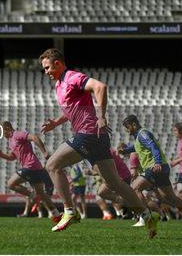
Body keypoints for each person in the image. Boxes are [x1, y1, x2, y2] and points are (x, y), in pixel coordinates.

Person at [39, 48, 158, 236]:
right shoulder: (59, 84)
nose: (46, 72)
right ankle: (147, 214)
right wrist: (56, 122)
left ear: (58, 63)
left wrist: (101, 116)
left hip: (88, 133)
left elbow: (100, 87)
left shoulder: (71, 77)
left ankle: (69, 211)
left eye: (47, 68)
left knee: (52, 165)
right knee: (115, 183)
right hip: (97, 137)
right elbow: (71, 109)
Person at [118, 115, 182, 228]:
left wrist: (157, 162)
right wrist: (125, 150)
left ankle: (145, 216)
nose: (126, 130)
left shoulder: (142, 134)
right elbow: (137, 147)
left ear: (134, 125)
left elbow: (153, 147)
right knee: (170, 198)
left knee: (134, 188)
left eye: (127, 127)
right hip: (160, 167)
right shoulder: (139, 136)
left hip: (154, 167)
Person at [0, 121, 61, 221]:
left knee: (10, 184)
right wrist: (2, 155)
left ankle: (33, 196)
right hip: (36, 168)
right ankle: (56, 214)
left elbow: (34, 138)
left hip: (30, 166)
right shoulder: (10, 141)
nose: (1, 134)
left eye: (1, 131)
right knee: (41, 193)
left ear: (7, 128)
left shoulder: (18, 134)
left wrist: (44, 152)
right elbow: (13, 157)